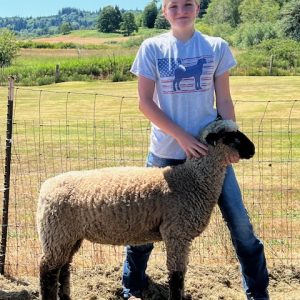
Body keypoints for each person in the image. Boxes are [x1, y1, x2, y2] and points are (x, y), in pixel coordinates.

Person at [122, 0, 269, 299]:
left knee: (239, 223)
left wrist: (230, 140)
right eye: (173, 6)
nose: (181, 10)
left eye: (187, 3)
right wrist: (182, 138)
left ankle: (258, 292)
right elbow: (145, 103)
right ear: (164, 11)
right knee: (142, 223)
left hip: (210, 156)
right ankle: (132, 286)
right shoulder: (152, 48)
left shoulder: (216, 47)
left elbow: (224, 100)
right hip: (165, 152)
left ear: (198, 7)